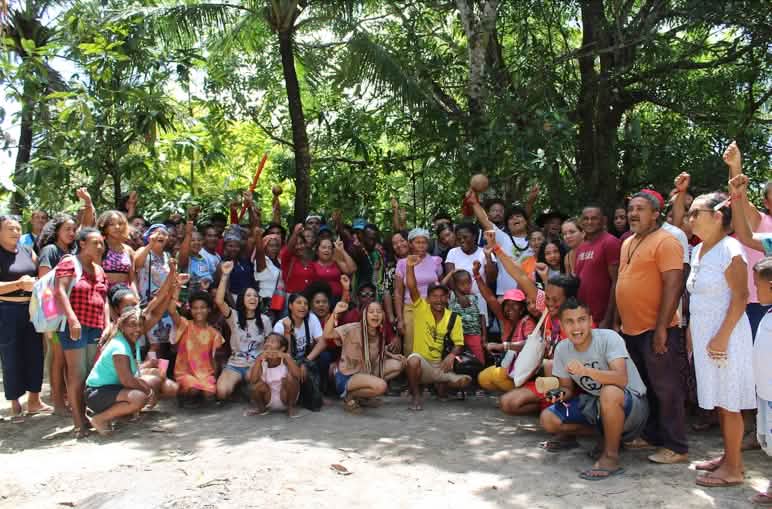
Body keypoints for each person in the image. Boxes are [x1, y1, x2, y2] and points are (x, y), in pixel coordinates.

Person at [686, 192, 755, 488]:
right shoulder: (698, 251)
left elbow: (741, 296)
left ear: (717, 216)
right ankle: (728, 457)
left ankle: (735, 468)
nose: (690, 219)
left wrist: (722, 336)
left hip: (725, 338)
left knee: (730, 403)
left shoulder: (731, 248)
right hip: (706, 338)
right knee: (719, 401)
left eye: (695, 213)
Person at [540, 299, 649, 481]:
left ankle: (611, 457)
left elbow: (621, 379)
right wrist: (559, 394)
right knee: (548, 419)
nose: (576, 327)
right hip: (597, 404)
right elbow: (567, 388)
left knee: (610, 392)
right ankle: (606, 434)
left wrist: (585, 371)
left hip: (632, 405)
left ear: (591, 321)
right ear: (562, 325)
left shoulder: (608, 338)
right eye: (569, 321)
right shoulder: (562, 349)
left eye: (581, 320)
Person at [616, 191, 688, 464]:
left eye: (641, 209)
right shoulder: (628, 242)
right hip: (632, 329)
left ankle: (677, 446)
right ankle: (652, 434)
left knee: (666, 388)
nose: (633, 214)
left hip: (657, 329)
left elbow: (673, 286)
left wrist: (661, 329)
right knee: (646, 386)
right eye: (631, 208)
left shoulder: (667, 241)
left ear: (656, 213)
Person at [54, 227, 108, 437]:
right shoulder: (69, 263)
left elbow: (104, 300)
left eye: (102, 243)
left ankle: (88, 415)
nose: (100, 246)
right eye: (95, 242)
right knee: (76, 373)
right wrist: (72, 318)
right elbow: (60, 291)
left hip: (95, 325)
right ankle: (78, 422)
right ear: (82, 243)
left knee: (88, 374)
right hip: (74, 326)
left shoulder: (99, 269)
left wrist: (107, 323)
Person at [404, 254, 472, 411]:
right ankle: (416, 397)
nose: (439, 300)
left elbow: (459, 344)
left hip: (441, 365)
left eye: (442, 296)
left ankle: (440, 385)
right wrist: (409, 266)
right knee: (413, 360)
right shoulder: (421, 308)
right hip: (422, 364)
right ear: (427, 299)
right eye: (434, 296)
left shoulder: (453, 317)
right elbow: (412, 287)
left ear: (448, 298)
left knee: (465, 381)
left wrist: (451, 355)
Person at [0, 215, 49, 423]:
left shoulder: (27, 251)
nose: (15, 232)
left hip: (30, 309)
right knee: (11, 355)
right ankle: (15, 402)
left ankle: (35, 400)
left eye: (18, 228)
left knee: (35, 352)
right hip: (7, 310)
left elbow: (39, 276)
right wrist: (18, 284)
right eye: (10, 228)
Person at [84, 306, 159, 435]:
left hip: (111, 388)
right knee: (139, 397)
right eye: (132, 325)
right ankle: (99, 419)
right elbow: (127, 380)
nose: (137, 330)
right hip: (97, 393)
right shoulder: (120, 347)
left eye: (140, 325)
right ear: (122, 326)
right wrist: (148, 391)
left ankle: (122, 414)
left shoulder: (130, 340)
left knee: (153, 381)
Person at [723, 141, 772, 338]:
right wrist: (735, 167)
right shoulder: (762, 223)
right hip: (756, 305)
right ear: (766, 202)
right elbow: (740, 205)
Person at [324, 300, 406, 414]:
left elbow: (378, 350)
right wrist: (335, 314)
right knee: (381, 386)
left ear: (383, 315)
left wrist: (392, 355)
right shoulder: (352, 329)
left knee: (399, 364)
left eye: (378, 312)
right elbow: (327, 334)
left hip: (365, 371)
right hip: (347, 376)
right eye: (371, 312)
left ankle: (362, 397)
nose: (375, 314)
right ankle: (349, 396)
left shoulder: (379, 333)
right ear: (364, 315)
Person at [37, 213, 78, 416]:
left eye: (73, 229)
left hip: (69, 310)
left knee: (66, 357)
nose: (71, 233)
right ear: (57, 231)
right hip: (55, 313)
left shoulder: (71, 250)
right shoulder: (50, 250)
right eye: (67, 229)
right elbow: (43, 281)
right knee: (58, 357)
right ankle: (57, 402)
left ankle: (65, 399)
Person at [215, 260, 272, 401]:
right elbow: (219, 301)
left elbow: (268, 345)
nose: (252, 298)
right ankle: (239, 385)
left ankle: (247, 384)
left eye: (255, 296)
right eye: (248, 295)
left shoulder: (265, 320)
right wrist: (225, 275)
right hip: (235, 364)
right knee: (221, 393)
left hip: (255, 364)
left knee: (258, 392)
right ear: (242, 299)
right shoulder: (233, 316)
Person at [466, 190, 532, 296]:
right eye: (510, 218)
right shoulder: (503, 238)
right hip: (505, 296)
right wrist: (474, 203)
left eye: (518, 216)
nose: (514, 218)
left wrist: (530, 201)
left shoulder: (536, 240)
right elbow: (485, 220)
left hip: (531, 295)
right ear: (507, 225)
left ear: (526, 221)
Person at [168, 286, 224, 407]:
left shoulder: (214, 333)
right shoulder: (184, 324)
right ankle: (182, 395)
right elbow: (172, 310)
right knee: (193, 389)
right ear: (190, 309)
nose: (199, 311)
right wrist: (177, 287)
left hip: (205, 373)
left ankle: (198, 396)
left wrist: (215, 378)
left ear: (209, 309)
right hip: (184, 372)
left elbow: (214, 359)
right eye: (195, 308)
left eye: (203, 307)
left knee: (209, 394)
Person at [394, 228, 443, 355]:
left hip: (432, 309)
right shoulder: (402, 263)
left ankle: (431, 373)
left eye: (424, 242)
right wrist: (400, 319)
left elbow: (441, 286)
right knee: (411, 346)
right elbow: (398, 293)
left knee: (432, 345)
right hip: (410, 308)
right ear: (410, 244)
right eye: (418, 242)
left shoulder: (435, 261)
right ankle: (412, 373)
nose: (421, 245)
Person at [574, 205, 620, 328]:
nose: (589, 222)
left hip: (602, 318)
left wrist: (608, 318)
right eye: (586, 218)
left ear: (603, 220)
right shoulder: (581, 247)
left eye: (594, 218)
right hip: (584, 318)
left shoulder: (610, 242)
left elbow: (617, 282)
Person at [750, 257, 772, 505]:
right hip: (765, 393)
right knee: (768, 439)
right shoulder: (767, 314)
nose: (755, 290)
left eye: (758, 285)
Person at [134, 224, 174, 351]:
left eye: (164, 233)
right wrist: (150, 244)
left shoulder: (167, 255)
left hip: (164, 303)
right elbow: (137, 264)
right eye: (157, 233)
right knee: (151, 344)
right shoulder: (144, 250)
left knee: (164, 344)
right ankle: (144, 368)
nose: (161, 235)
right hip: (148, 303)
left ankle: (160, 370)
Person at [445, 223, 489, 330]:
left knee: (478, 330)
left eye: (465, 237)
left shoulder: (484, 252)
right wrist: (460, 296)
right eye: (459, 238)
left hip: (479, 298)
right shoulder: (453, 252)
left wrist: (489, 258)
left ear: (474, 236)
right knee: (457, 331)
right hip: (457, 299)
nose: (462, 240)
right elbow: (450, 277)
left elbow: (492, 278)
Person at [246, 333, 301, 417]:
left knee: (291, 378)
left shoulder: (286, 359)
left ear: (282, 348)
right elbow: (253, 380)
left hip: (285, 397)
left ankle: (290, 408)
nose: (268, 343)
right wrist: (258, 361)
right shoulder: (261, 360)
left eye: (272, 341)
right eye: (267, 341)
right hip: (268, 397)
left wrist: (286, 357)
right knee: (255, 386)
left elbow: (298, 376)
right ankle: (262, 409)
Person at [97, 210, 137, 294]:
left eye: (120, 223)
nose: (117, 227)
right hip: (104, 292)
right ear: (104, 227)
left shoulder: (128, 250)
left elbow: (132, 279)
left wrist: (136, 295)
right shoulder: (99, 247)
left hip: (125, 294)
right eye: (112, 224)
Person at [252, 227, 282, 317]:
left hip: (278, 300)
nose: (274, 248)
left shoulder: (279, 261)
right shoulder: (262, 261)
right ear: (264, 247)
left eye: (276, 246)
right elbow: (259, 251)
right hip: (265, 301)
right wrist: (258, 237)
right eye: (271, 246)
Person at [280, 224, 316, 295]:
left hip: (308, 300)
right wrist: (295, 233)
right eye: (295, 244)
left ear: (305, 244)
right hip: (292, 301)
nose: (299, 247)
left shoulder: (312, 262)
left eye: (301, 243)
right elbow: (289, 249)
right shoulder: (287, 260)